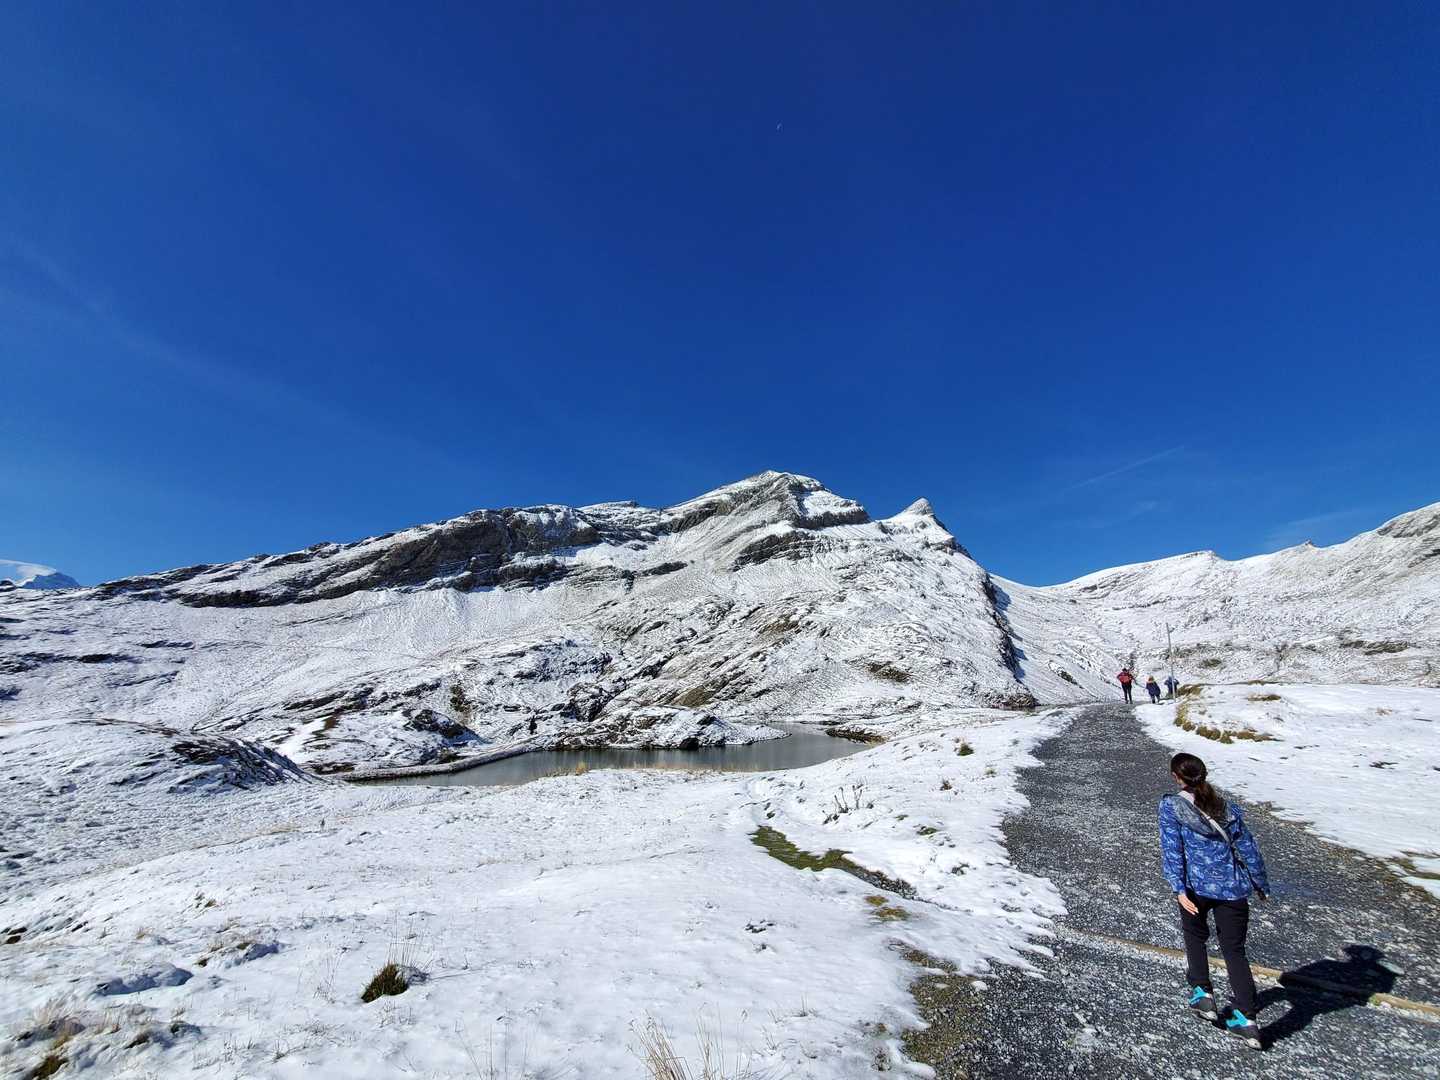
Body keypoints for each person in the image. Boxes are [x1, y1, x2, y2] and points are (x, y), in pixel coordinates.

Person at [1158, 752, 1271, 1050]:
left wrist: (1178, 888)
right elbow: (1248, 847)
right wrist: (1260, 883)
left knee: (1195, 937)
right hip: (1232, 888)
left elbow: (1172, 848)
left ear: (1176, 777)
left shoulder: (1172, 806)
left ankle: (1203, 993)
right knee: (1234, 951)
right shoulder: (1225, 807)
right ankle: (1247, 1019)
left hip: (1195, 887)